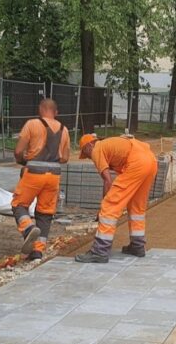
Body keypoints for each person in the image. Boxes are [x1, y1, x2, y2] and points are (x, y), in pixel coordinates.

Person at [75, 134, 158, 262]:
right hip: (151, 161)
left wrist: (103, 205)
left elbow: (107, 180)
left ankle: (100, 251)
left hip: (137, 163)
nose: (89, 157)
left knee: (109, 206)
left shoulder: (97, 149)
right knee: (137, 208)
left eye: (86, 154)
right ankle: (137, 246)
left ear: (89, 146)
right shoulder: (109, 144)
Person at [11, 99, 70, 260]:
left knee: (19, 204)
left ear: (40, 109)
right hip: (54, 175)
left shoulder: (32, 124)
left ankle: (28, 228)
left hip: (34, 173)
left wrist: (23, 161)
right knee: (45, 212)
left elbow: (18, 151)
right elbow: (65, 158)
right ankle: (37, 250)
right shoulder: (64, 129)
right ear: (56, 112)